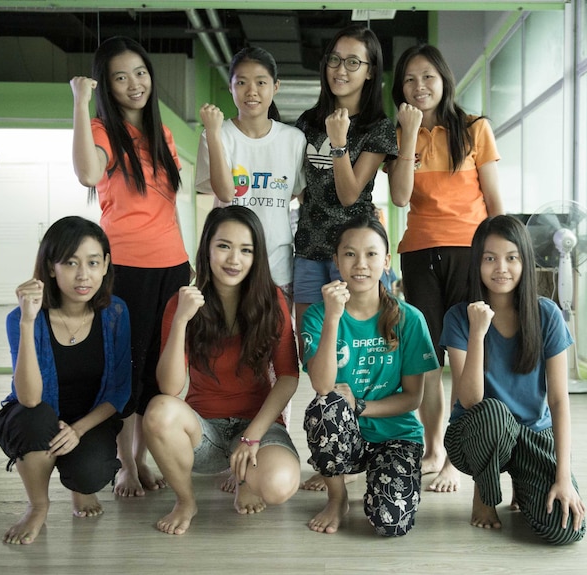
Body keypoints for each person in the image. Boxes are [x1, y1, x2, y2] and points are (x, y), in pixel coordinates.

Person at [70, 36, 191, 497]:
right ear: (107, 86)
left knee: (162, 374)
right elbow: (86, 173)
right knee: (127, 369)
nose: (133, 83)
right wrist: (81, 103)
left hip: (172, 267)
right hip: (126, 268)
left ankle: (147, 457)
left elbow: (170, 207)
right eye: (119, 77)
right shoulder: (101, 129)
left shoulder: (163, 134)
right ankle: (127, 463)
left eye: (139, 72)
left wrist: (185, 261)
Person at [388, 44, 504, 493]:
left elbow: (494, 202)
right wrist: (407, 135)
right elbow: (399, 198)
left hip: (468, 252)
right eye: (410, 80)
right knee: (427, 358)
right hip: (418, 253)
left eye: (428, 77)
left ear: (444, 80)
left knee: (463, 355)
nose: (419, 87)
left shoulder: (475, 129)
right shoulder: (400, 134)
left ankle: (458, 456)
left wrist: (497, 258)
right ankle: (434, 448)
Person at [143, 205, 301, 536]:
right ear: (207, 248)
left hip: (257, 427)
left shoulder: (272, 302)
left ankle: (247, 479)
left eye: (246, 250)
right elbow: (170, 389)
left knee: (279, 484)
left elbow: (288, 377)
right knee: (158, 411)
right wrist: (182, 320)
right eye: (224, 246)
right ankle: (186, 502)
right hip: (206, 433)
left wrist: (253, 435)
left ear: (257, 256)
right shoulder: (184, 302)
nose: (234, 259)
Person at [440, 215, 586, 545]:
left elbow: (559, 401)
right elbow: (470, 401)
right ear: (477, 262)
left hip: (532, 435)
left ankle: (524, 483)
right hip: (476, 435)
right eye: (490, 258)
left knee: (564, 529)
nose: (500, 268)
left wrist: (562, 477)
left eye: (511, 258)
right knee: (493, 412)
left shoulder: (546, 314)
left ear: (525, 261)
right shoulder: (459, 318)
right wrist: (478, 333)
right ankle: (485, 494)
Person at [0, 216, 131, 545]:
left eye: (93, 263)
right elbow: (28, 399)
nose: (83, 275)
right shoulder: (23, 319)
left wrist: (79, 429)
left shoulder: (115, 313)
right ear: (51, 267)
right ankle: (37, 505)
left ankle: (78, 489)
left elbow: (119, 391)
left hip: (88, 421)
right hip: (35, 417)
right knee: (35, 418)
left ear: (105, 265)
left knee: (92, 473)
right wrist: (28, 322)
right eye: (70, 263)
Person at [301, 215, 439, 537]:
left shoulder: (409, 319)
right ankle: (337, 499)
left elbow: (412, 398)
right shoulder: (318, 316)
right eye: (349, 254)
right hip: (344, 436)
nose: (360, 264)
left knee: (391, 522)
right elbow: (322, 386)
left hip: (396, 436)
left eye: (371, 254)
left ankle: (381, 483)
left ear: (387, 261)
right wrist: (334, 316)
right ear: (336, 260)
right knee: (326, 407)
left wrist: (360, 405)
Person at [293, 24, 398, 361]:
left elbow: (350, 194)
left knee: (350, 347)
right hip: (309, 246)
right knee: (309, 348)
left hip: (353, 253)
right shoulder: (308, 121)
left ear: (370, 72)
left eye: (353, 62)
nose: (340, 70)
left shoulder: (377, 127)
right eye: (335, 60)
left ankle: (355, 410)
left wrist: (339, 142)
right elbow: (300, 185)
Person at [196, 46, 306, 304]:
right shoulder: (216, 134)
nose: (251, 91)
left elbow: (296, 193)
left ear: (275, 87)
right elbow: (225, 193)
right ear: (231, 87)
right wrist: (212, 132)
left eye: (261, 82)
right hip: (228, 265)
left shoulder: (293, 140)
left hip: (276, 264)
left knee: (274, 340)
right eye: (241, 82)